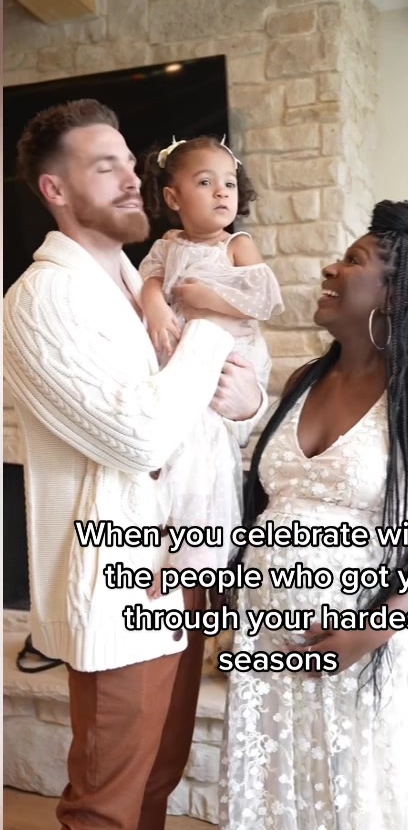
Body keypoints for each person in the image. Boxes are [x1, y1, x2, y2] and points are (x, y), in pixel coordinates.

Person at [3, 99, 266, 830]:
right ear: (56, 190)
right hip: (121, 588)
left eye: (129, 159)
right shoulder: (42, 298)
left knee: (156, 782)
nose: (131, 177)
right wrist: (215, 323)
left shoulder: (137, 278)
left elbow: (206, 406)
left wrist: (245, 400)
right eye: (104, 165)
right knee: (102, 812)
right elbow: (140, 434)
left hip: (181, 571)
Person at [213, 200, 408, 830]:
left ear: (394, 293)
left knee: (358, 825)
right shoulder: (302, 379)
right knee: (280, 817)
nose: (331, 267)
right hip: (272, 657)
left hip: (367, 658)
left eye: (352, 260)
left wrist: (371, 630)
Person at [138, 134, 283, 580]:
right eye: (205, 182)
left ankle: (198, 558)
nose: (222, 192)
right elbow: (149, 281)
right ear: (173, 197)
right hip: (179, 357)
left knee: (206, 459)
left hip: (226, 356)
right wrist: (156, 304)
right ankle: (165, 546)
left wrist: (207, 297)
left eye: (229, 184)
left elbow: (263, 300)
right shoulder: (167, 245)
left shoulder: (236, 245)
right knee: (175, 454)